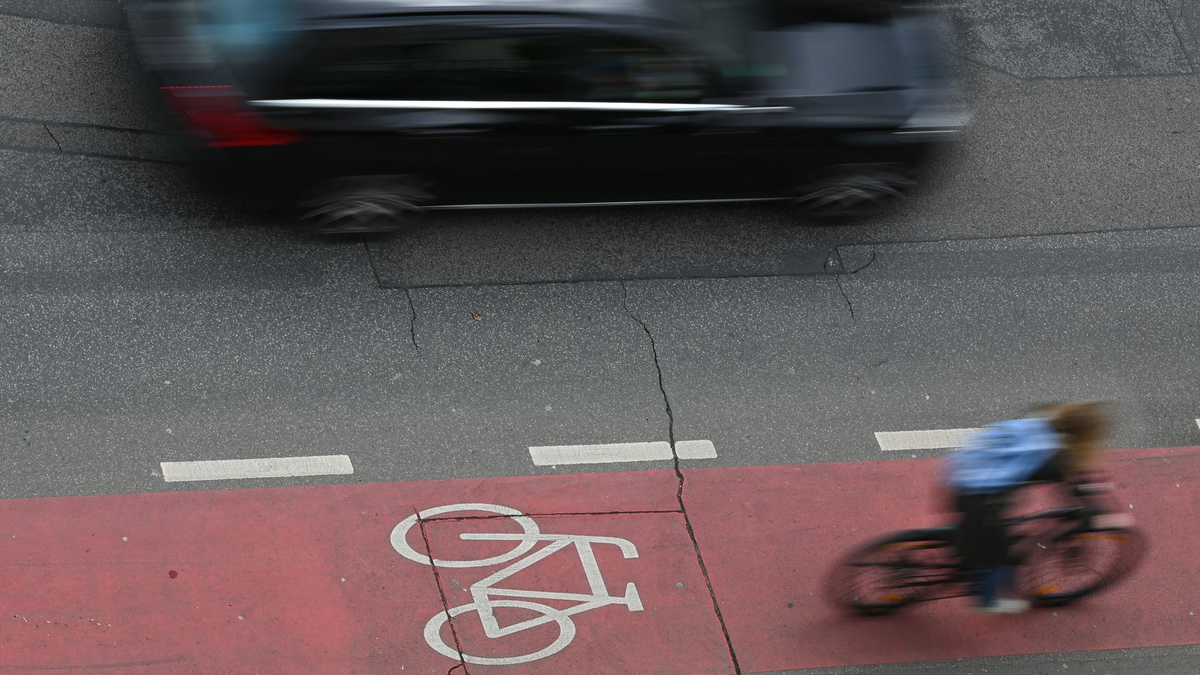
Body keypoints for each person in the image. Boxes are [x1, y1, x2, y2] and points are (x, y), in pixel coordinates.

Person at [942, 402, 1108, 614]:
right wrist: (1090, 511)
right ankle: (986, 600)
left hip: (964, 468)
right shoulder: (1053, 458)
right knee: (999, 553)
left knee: (993, 529)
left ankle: (969, 550)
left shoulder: (1041, 420)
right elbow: (1069, 487)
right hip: (977, 492)